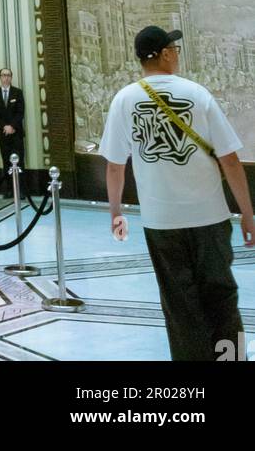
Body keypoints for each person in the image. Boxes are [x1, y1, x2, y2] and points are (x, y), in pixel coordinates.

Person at [101, 25, 255, 362]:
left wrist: (116, 212)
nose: (178, 54)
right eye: (175, 48)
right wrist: (247, 212)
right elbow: (229, 160)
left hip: (161, 223)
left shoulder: (124, 100)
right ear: (166, 54)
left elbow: (115, 166)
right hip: (209, 218)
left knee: (180, 306)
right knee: (222, 299)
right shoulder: (197, 94)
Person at [0, 68, 25, 194]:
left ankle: (20, 190)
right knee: (6, 160)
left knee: (19, 160)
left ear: (11, 77)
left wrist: (12, 126)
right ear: (0, 77)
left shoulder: (18, 92)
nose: (6, 77)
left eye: (8, 75)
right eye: (4, 75)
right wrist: (4, 126)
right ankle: (9, 190)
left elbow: (20, 112)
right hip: (3, 132)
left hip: (16, 133)